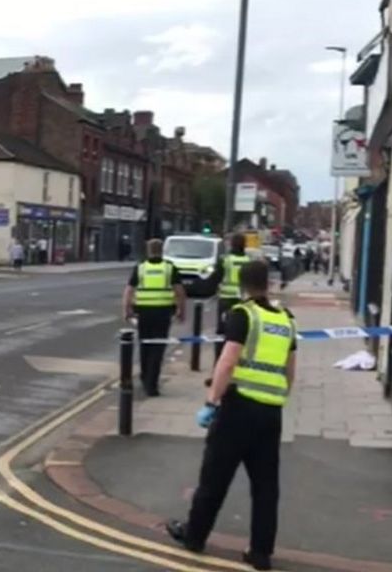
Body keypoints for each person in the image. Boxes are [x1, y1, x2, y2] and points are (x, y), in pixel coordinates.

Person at [166, 260, 297, 572]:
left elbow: (227, 361)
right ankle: (261, 553)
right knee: (266, 487)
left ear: (242, 284)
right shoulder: (286, 320)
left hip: (238, 409)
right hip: (270, 412)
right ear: (268, 282)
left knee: (214, 476)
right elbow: (291, 370)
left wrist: (212, 403)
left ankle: (194, 537)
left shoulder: (243, 315)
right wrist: (277, 397)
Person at [123, 239, 187, 396]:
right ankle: (152, 384)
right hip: (163, 313)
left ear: (148, 250)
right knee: (158, 348)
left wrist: (127, 310)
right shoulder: (169, 268)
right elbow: (180, 292)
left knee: (145, 346)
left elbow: (129, 291)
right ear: (162, 250)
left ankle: (145, 378)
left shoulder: (140, 268)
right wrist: (181, 310)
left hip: (144, 313)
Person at [206, 233, 252, 363]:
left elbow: (214, 280)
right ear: (244, 245)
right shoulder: (248, 262)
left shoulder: (225, 260)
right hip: (243, 303)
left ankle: (219, 369)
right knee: (240, 337)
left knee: (221, 335)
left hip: (226, 301)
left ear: (231, 244)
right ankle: (236, 371)